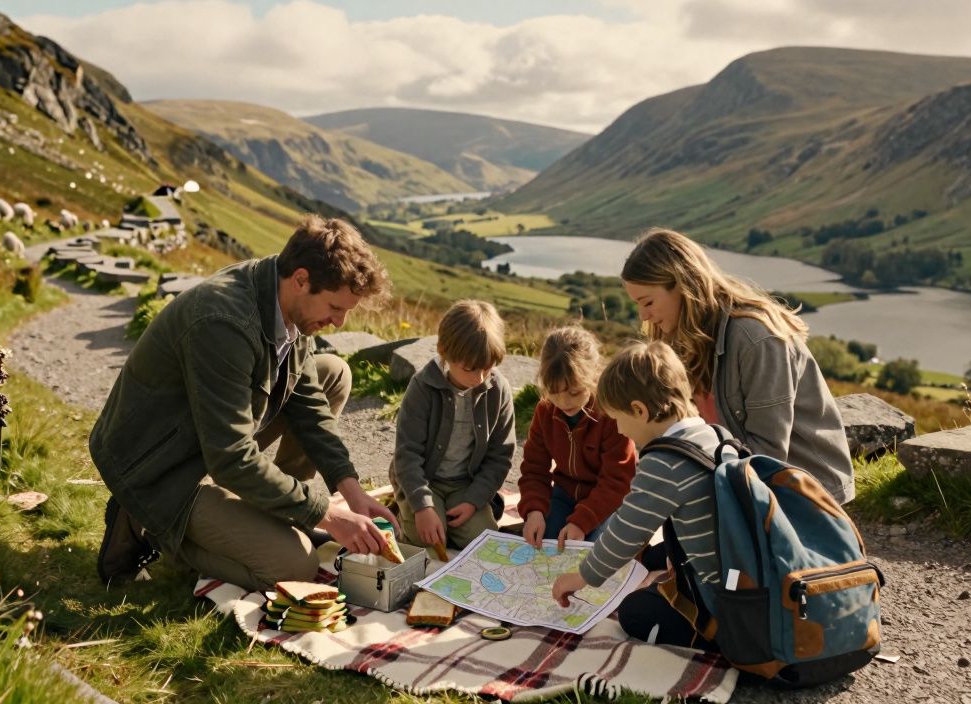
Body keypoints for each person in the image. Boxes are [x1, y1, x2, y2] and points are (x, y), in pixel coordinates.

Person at [90, 216, 399, 590]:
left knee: (332, 372)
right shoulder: (222, 323)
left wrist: (352, 492)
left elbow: (308, 405)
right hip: (160, 468)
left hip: (205, 444)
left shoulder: (285, 298)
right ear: (301, 279)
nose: (338, 322)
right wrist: (326, 514)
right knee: (294, 568)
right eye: (335, 306)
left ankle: (275, 512)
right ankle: (149, 528)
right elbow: (230, 458)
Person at [620, 228, 854, 503]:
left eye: (647, 302)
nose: (643, 315)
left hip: (802, 496)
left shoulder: (757, 340)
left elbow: (768, 457)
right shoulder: (681, 339)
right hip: (734, 482)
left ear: (683, 286)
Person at [551, 340, 737, 648]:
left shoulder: (664, 461)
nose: (620, 431)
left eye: (619, 419)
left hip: (718, 596)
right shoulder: (715, 434)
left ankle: (714, 635)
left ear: (639, 410)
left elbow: (627, 532)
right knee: (652, 556)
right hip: (735, 563)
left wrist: (579, 577)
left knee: (634, 612)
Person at [390, 300, 516, 551]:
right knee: (429, 544)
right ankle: (402, 512)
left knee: (484, 546)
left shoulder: (498, 389)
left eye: (487, 368)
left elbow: (500, 457)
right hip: (423, 481)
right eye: (469, 369)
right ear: (443, 350)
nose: (479, 378)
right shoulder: (422, 387)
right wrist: (423, 505)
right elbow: (407, 454)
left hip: (466, 485)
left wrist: (474, 500)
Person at [517, 326, 635, 549]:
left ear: (592, 377)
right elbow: (534, 469)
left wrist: (581, 522)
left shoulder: (612, 414)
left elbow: (617, 481)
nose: (564, 402)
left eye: (574, 392)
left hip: (607, 502)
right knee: (543, 543)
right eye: (554, 391)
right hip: (564, 494)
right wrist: (534, 510)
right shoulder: (545, 411)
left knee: (591, 556)